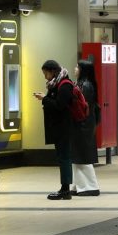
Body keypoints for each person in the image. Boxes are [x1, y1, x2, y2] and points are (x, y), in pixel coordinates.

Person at [33, 60, 74, 200]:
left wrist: (44, 99)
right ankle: (64, 188)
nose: (45, 77)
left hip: (64, 127)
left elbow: (60, 106)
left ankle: (65, 189)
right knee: (62, 157)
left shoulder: (64, 85)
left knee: (64, 158)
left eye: (46, 73)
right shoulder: (57, 84)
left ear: (52, 71)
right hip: (59, 127)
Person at [70, 60, 100, 196]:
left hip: (83, 125)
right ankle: (79, 185)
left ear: (83, 70)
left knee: (82, 156)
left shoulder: (85, 86)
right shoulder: (82, 84)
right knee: (78, 156)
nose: (75, 69)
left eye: (77, 67)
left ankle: (90, 186)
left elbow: (81, 107)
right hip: (82, 124)